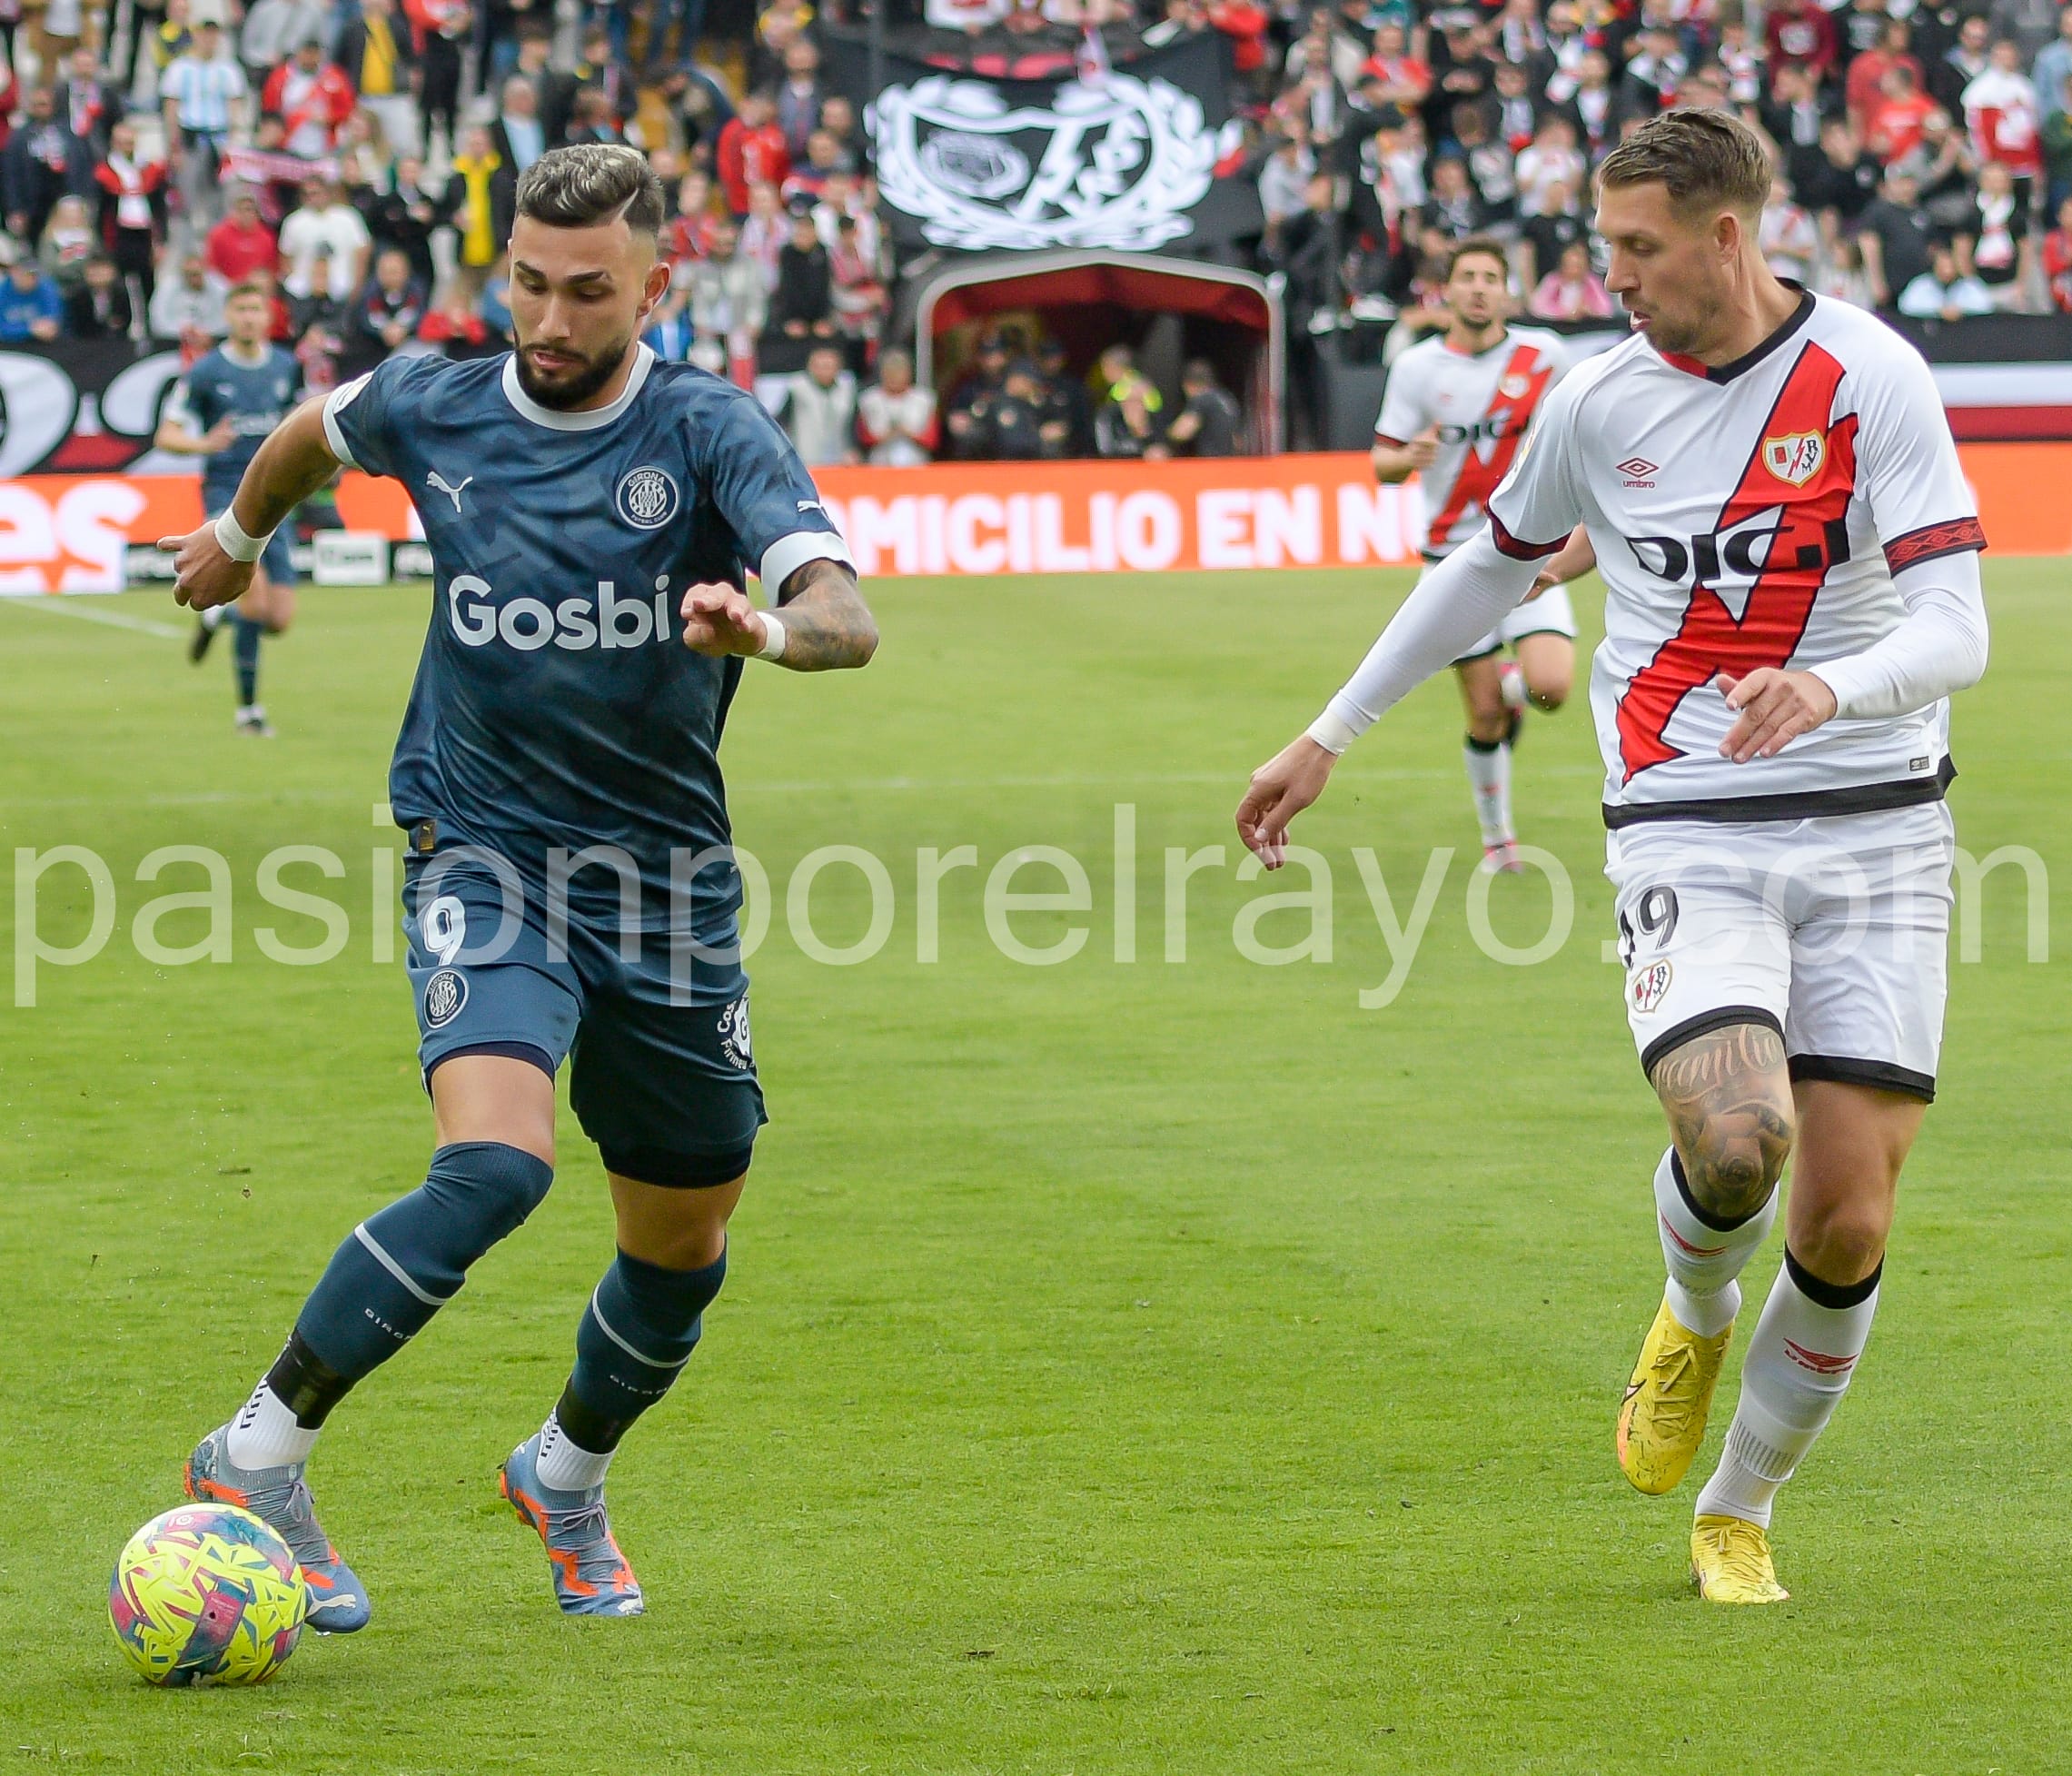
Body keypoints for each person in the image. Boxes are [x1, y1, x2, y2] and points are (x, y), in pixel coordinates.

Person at [1235, 110, 1988, 1606]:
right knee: (1736, 1139)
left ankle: (1738, 1507)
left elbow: (1956, 624)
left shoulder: (1869, 376)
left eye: (1638, 248)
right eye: (1605, 248)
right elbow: (1489, 564)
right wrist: (1328, 733)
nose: (1614, 276)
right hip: (1687, 813)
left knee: (1847, 1213)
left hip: (1882, 821)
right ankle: (1694, 1306)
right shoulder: (1596, 399)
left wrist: (1830, 687)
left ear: (1727, 236)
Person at [159, 144, 877, 1626]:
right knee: (495, 1164)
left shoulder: (707, 428)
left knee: (681, 1250)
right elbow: (310, 433)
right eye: (532, 287)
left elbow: (844, 612)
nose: (551, 322)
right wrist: (237, 537)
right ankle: (256, 1451)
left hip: (665, 886)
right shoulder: (436, 398)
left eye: (588, 293)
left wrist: (763, 631)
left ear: (655, 290)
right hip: (480, 849)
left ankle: (562, 1475)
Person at [1369, 236, 1581, 869]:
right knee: (1485, 715)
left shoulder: (1545, 355)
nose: (1480, 288)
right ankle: (1498, 841)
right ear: (1448, 291)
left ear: (1507, 291)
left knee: (1550, 688)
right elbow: (1381, 462)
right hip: (1452, 561)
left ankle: (1512, 680)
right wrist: (1407, 457)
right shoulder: (1417, 367)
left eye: (1491, 277)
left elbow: (1580, 425)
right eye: (1468, 277)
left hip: (1528, 548)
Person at [154, 282, 304, 735]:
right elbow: (166, 435)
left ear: (267, 317)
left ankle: (217, 615)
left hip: (279, 499)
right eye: (240, 310)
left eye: (256, 309)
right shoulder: (205, 372)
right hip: (227, 499)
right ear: (228, 316)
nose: (248, 318)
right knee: (254, 605)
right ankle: (249, 713)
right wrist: (205, 443)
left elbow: (302, 422)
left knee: (278, 619)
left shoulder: (287, 367)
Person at [778, 341, 858, 466]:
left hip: (841, 457)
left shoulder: (847, 390)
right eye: (819, 366)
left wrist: (853, 449)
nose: (823, 371)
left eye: (828, 366)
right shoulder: (797, 388)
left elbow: (853, 424)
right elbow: (783, 421)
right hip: (805, 458)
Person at [857, 349, 937, 466]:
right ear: (882, 373)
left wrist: (907, 433)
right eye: (890, 372)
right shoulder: (868, 399)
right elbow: (862, 438)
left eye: (899, 372)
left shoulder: (924, 399)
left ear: (909, 373)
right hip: (878, 462)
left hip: (917, 461)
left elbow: (932, 440)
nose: (894, 377)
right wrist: (887, 435)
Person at [1164, 358, 1244, 457]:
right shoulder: (1227, 398)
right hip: (1232, 461)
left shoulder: (1202, 399)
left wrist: (1164, 435)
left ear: (1188, 384)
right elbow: (1238, 440)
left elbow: (1183, 431)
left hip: (1211, 461)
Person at [1898, 240, 1996, 316]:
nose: (1947, 272)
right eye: (1942, 267)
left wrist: (1961, 310)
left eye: (1950, 267)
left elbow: (1987, 306)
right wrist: (1938, 311)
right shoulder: (1921, 284)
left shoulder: (1971, 284)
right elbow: (1905, 306)